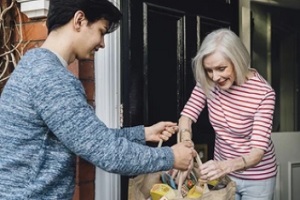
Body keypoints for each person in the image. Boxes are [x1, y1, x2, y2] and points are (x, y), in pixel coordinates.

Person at [0, 0, 196, 199]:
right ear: (79, 20)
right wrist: (171, 157)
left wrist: (143, 134)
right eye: (101, 31)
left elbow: (88, 136)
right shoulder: (52, 78)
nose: (102, 43)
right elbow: (106, 152)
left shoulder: (35, 65)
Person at [178, 28, 277, 200]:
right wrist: (186, 144)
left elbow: (257, 152)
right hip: (222, 175)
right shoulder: (207, 81)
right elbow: (186, 116)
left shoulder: (263, 94)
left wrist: (224, 166)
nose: (215, 77)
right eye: (209, 69)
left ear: (237, 60)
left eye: (221, 68)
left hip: (257, 179)